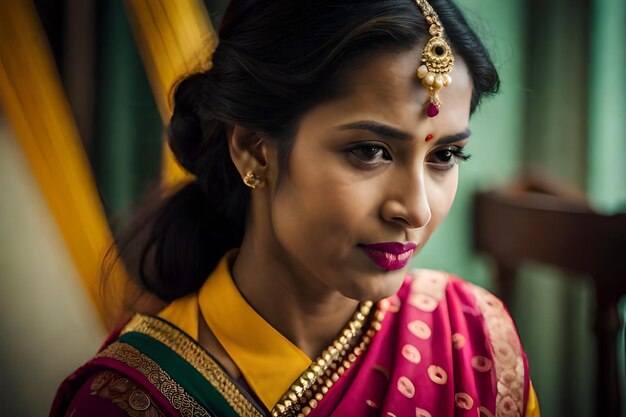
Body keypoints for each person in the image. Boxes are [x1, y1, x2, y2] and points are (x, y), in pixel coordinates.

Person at [51, 0, 540, 416]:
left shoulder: (473, 338)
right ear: (253, 149)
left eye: (445, 155)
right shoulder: (132, 398)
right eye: (370, 150)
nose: (415, 210)